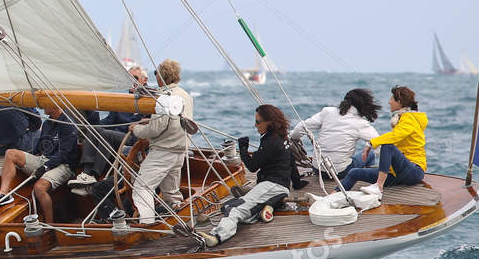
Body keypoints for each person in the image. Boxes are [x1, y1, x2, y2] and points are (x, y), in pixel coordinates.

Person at [199, 104, 295, 246]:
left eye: (258, 122)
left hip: (272, 185)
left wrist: (243, 148)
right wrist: (297, 183)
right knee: (227, 206)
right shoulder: (281, 137)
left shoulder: (271, 142)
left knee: (234, 209)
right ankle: (271, 205)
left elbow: (252, 166)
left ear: (269, 122)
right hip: (278, 186)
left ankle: (217, 236)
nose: (255, 125)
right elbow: (291, 162)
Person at [128, 59, 194, 225]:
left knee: (142, 187)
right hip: (180, 150)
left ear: (160, 78)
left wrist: (136, 129)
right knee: (171, 192)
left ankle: (148, 224)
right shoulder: (185, 95)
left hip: (163, 152)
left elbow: (155, 129)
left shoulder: (164, 98)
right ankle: (184, 218)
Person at [342, 85, 428, 191]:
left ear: (399, 102)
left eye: (391, 99)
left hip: (413, 171)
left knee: (387, 146)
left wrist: (371, 143)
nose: (389, 102)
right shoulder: (403, 118)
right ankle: (331, 196)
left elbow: (396, 135)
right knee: (354, 172)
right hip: (396, 173)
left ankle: (378, 186)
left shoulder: (410, 118)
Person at [290, 88, 378, 183]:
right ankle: (369, 181)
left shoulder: (328, 112)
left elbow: (300, 128)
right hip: (340, 172)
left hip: (318, 169)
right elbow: (380, 144)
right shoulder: (360, 123)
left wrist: (294, 138)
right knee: (371, 155)